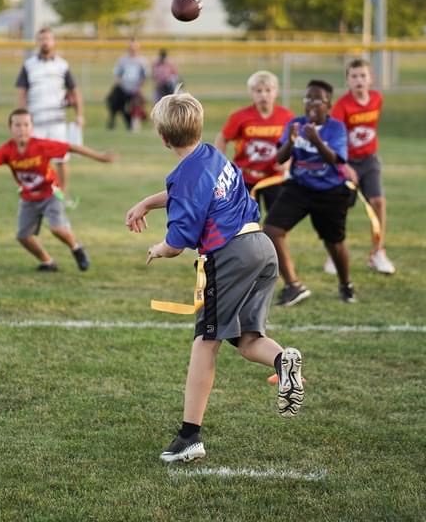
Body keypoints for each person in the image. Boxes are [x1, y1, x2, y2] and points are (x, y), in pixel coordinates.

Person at [125, 92, 303, 464]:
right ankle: (282, 360)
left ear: (162, 138)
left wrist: (158, 248)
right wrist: (147, 202)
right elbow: (185, 189)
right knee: (246, 338)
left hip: (229, 257)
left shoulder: (185, 175)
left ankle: (190, 436)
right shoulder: (210, 154)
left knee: (205, 343)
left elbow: (177, 243)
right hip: (260, 245)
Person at [0, 108, 114, 272]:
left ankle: (76, 248)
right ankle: (48, 262)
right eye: (17, 125)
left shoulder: (41, 145)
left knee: (57, 229)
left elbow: (71, 148)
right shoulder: (7, 150)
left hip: (51, 194)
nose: (22, 129)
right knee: (23, 236)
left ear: (32, 128)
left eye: (26, 125)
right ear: (10, 128)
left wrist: (100, 157)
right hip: (28, 198)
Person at [263, 80, 357, 305]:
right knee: (271, 230)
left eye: (317, 99)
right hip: (299, 187)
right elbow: (280, 158)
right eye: (307, 98)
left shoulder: (336, 128)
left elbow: (335, 159)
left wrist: (315, 139)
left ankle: (345, 284)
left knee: (334, 242)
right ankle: (293, 285)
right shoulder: (295, 124)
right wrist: (292, 141)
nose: (311, 103)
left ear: (328, 104)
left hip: (330, 191)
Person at [326, 58, 395, 275]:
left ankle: (378, 252)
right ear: (347, 80)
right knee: (341, 208)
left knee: (379, 202)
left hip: (369, 160)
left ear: (370, 78)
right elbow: (334, 139)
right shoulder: (341, 107)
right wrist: (345, 165)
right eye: (354, 76)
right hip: (346, 163)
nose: (359, 80)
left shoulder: (376, 98)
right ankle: (334, 254)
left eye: (363, 76)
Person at [16, 27, 84, 199]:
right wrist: (22, 118)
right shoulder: (29, 65)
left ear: (53, 42)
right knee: (35, 160)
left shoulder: (62, 65)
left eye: (48, 39)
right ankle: (38, 192)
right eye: (41, 39)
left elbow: (74, 90)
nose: (45, 42)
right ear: (37, 42)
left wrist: (79, 114)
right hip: (36, 121)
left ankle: (63, 193)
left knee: (61, 159)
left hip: (57, 120)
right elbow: (22, 92)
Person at [214, 70, 294, 214]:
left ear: (276, 91)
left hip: (274, 177)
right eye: (258, 91)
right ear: (251, 93)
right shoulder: (240, 117)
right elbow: (222, 138)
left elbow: (296, 143)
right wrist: (220, 163)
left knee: (276, 223)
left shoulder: (286, 117)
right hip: (246, 177)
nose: (264, 95)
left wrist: (288, 163)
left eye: (268, 90)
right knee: (244, 222)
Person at [111, 38, 148, 131]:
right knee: (115, 102)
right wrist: (120, 85)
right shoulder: (122, 60)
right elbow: (117, 75)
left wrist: (139, 87)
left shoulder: (142, 61)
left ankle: (135, 125)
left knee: (136, 105)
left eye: (135, 47)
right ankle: (113, 123)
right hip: (124, 88)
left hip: (135, 89)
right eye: (131, 47)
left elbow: (144, 76)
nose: (133, 50)